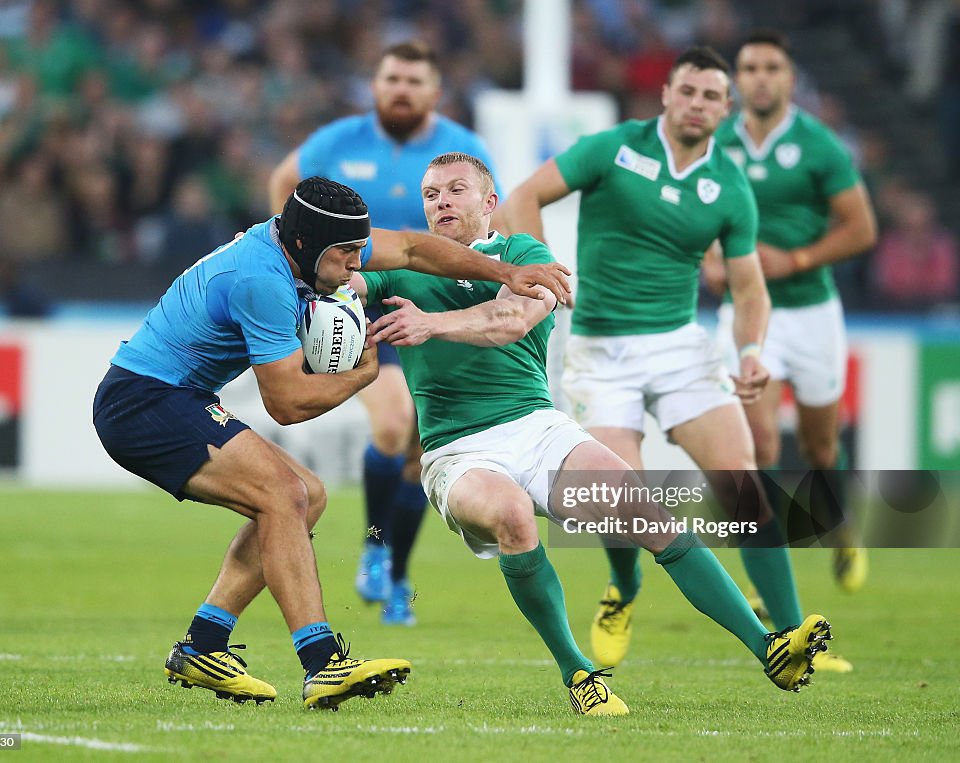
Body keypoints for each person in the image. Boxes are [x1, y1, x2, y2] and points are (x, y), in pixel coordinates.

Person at [352, 151, 834, 715]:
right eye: (431, 194)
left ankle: (768, 647)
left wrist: (430, 323)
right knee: (510, 516)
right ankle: (578, 672)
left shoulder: (526, 255)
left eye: (456, 190)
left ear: (490, 203)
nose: (441, 202)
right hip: (456, 450)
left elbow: (508, 322)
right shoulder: (403, 269)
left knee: (647, 512)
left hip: (537, 428)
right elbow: (344, 283)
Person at [92, 176, 571, 711]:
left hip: (173, 394)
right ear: (305, 246)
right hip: (144, 403)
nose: (355, 265)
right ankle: (321, 664)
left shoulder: (315, 242)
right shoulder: (262, 282)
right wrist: (363, 375)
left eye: (357, 250)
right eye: (345, 255)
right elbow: (288, 405)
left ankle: (204, 645)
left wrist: (508, 272)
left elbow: (413, 249)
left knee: (307, 496)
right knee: (283, 496)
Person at [500, 46, 850, 674]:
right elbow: (522, 199)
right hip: (600, 349)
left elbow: (749, 289)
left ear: (725, 107)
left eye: (711, 96)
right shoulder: (613, 148)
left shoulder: (730, 186)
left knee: (742, 483)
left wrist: (749, 353)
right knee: (619, 494)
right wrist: (540, 270)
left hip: (681, 346)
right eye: (687, 91)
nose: (697, 104)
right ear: (666, 94)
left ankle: (797, 635)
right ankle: (623, 591)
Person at [268, 41, 497, 626]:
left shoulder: (463, 150)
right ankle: (374, 543)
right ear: (376, 84)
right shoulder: (335, 143)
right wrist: (292, 263)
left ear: (434, 91)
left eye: (414, 80)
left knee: (424, 451)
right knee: (393, 426)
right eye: (392, 78)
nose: (401, 89)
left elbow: (493, 220)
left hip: (433, 307)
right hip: (360, 303)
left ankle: (396, 575)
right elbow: (282, 184)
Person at [705, 30, 878, 596]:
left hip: (811, 311)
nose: (759, 77)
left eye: (770, 67)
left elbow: (862, 228)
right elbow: (697, 212)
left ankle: (842, 531)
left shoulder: (819, 145)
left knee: (820, 447)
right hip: (748, 314)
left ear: (788, 78)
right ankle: (766, 571)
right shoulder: (715, 142)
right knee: (757, 446)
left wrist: (798, 257)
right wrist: (709, 258)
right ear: (737, 79)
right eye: (749, 67)